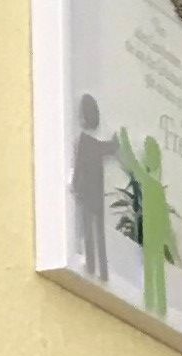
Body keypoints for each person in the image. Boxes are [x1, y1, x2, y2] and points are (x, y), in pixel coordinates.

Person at [117, 131, 180, 318]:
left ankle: (159, 308)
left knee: (158, 273)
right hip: (150, 236)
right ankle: (151, 304)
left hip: (157, 237)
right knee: (150, 271)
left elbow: (166, 221)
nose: (151, 159)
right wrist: (124, 139)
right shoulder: (147, 181)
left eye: (153, 155)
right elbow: (132, 163)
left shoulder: (156, 188)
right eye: (149, 155)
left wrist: (172, 246)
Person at [69, 94, 119, 285]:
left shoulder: (85, 142)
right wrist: (115, 142)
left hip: (86, 193)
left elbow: (80, 165)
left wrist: (74, 184)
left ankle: (92, 266)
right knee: (97, 232)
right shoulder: (93, 144)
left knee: (89, 231)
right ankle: (101, 270)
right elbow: (109, 148)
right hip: (95, 194)